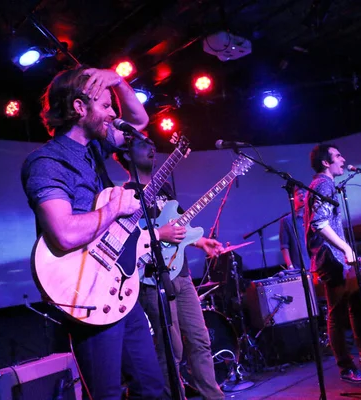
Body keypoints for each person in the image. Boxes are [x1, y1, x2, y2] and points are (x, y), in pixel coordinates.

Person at [21, 66, 164, 399]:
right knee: (107, 394)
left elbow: (139, 122)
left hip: (117, 287)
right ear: (79, 108)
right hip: (85, 293)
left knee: (152, 387)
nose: (113, 114)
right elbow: (64, 234)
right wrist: (113, 208)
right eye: (105, 105)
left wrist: (118, 80)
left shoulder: (95, 147)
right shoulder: (47, 163)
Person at [114, 138, 225, 400]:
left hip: (181, 274)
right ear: (126, 155)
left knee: (200, 340)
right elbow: (123, 237)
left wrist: (200, 242)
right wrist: (158, 233)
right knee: (170, 348)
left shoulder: (163, 187)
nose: (151, 147)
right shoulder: (124, 195)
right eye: (143, 144)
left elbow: (178, 227)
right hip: (151, 278)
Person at [304, 143, 361, 383]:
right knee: (337, 311)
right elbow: (319, 223)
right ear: (326, 162)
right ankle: (346, 367)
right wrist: (346, 248)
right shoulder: (323, 184)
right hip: (329, 257)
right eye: (337, 155)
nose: (343, 159)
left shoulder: (326, 185)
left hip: (335, 256)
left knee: (356, 304)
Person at [279, 187, 310, 270]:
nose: (302, 195)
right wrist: (290, 266)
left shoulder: (312, 216)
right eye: (298, 194)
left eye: (303, 193)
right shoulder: (287, 221)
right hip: (300, 267)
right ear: (292, 198)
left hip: (317, 265)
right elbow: (284, 246)